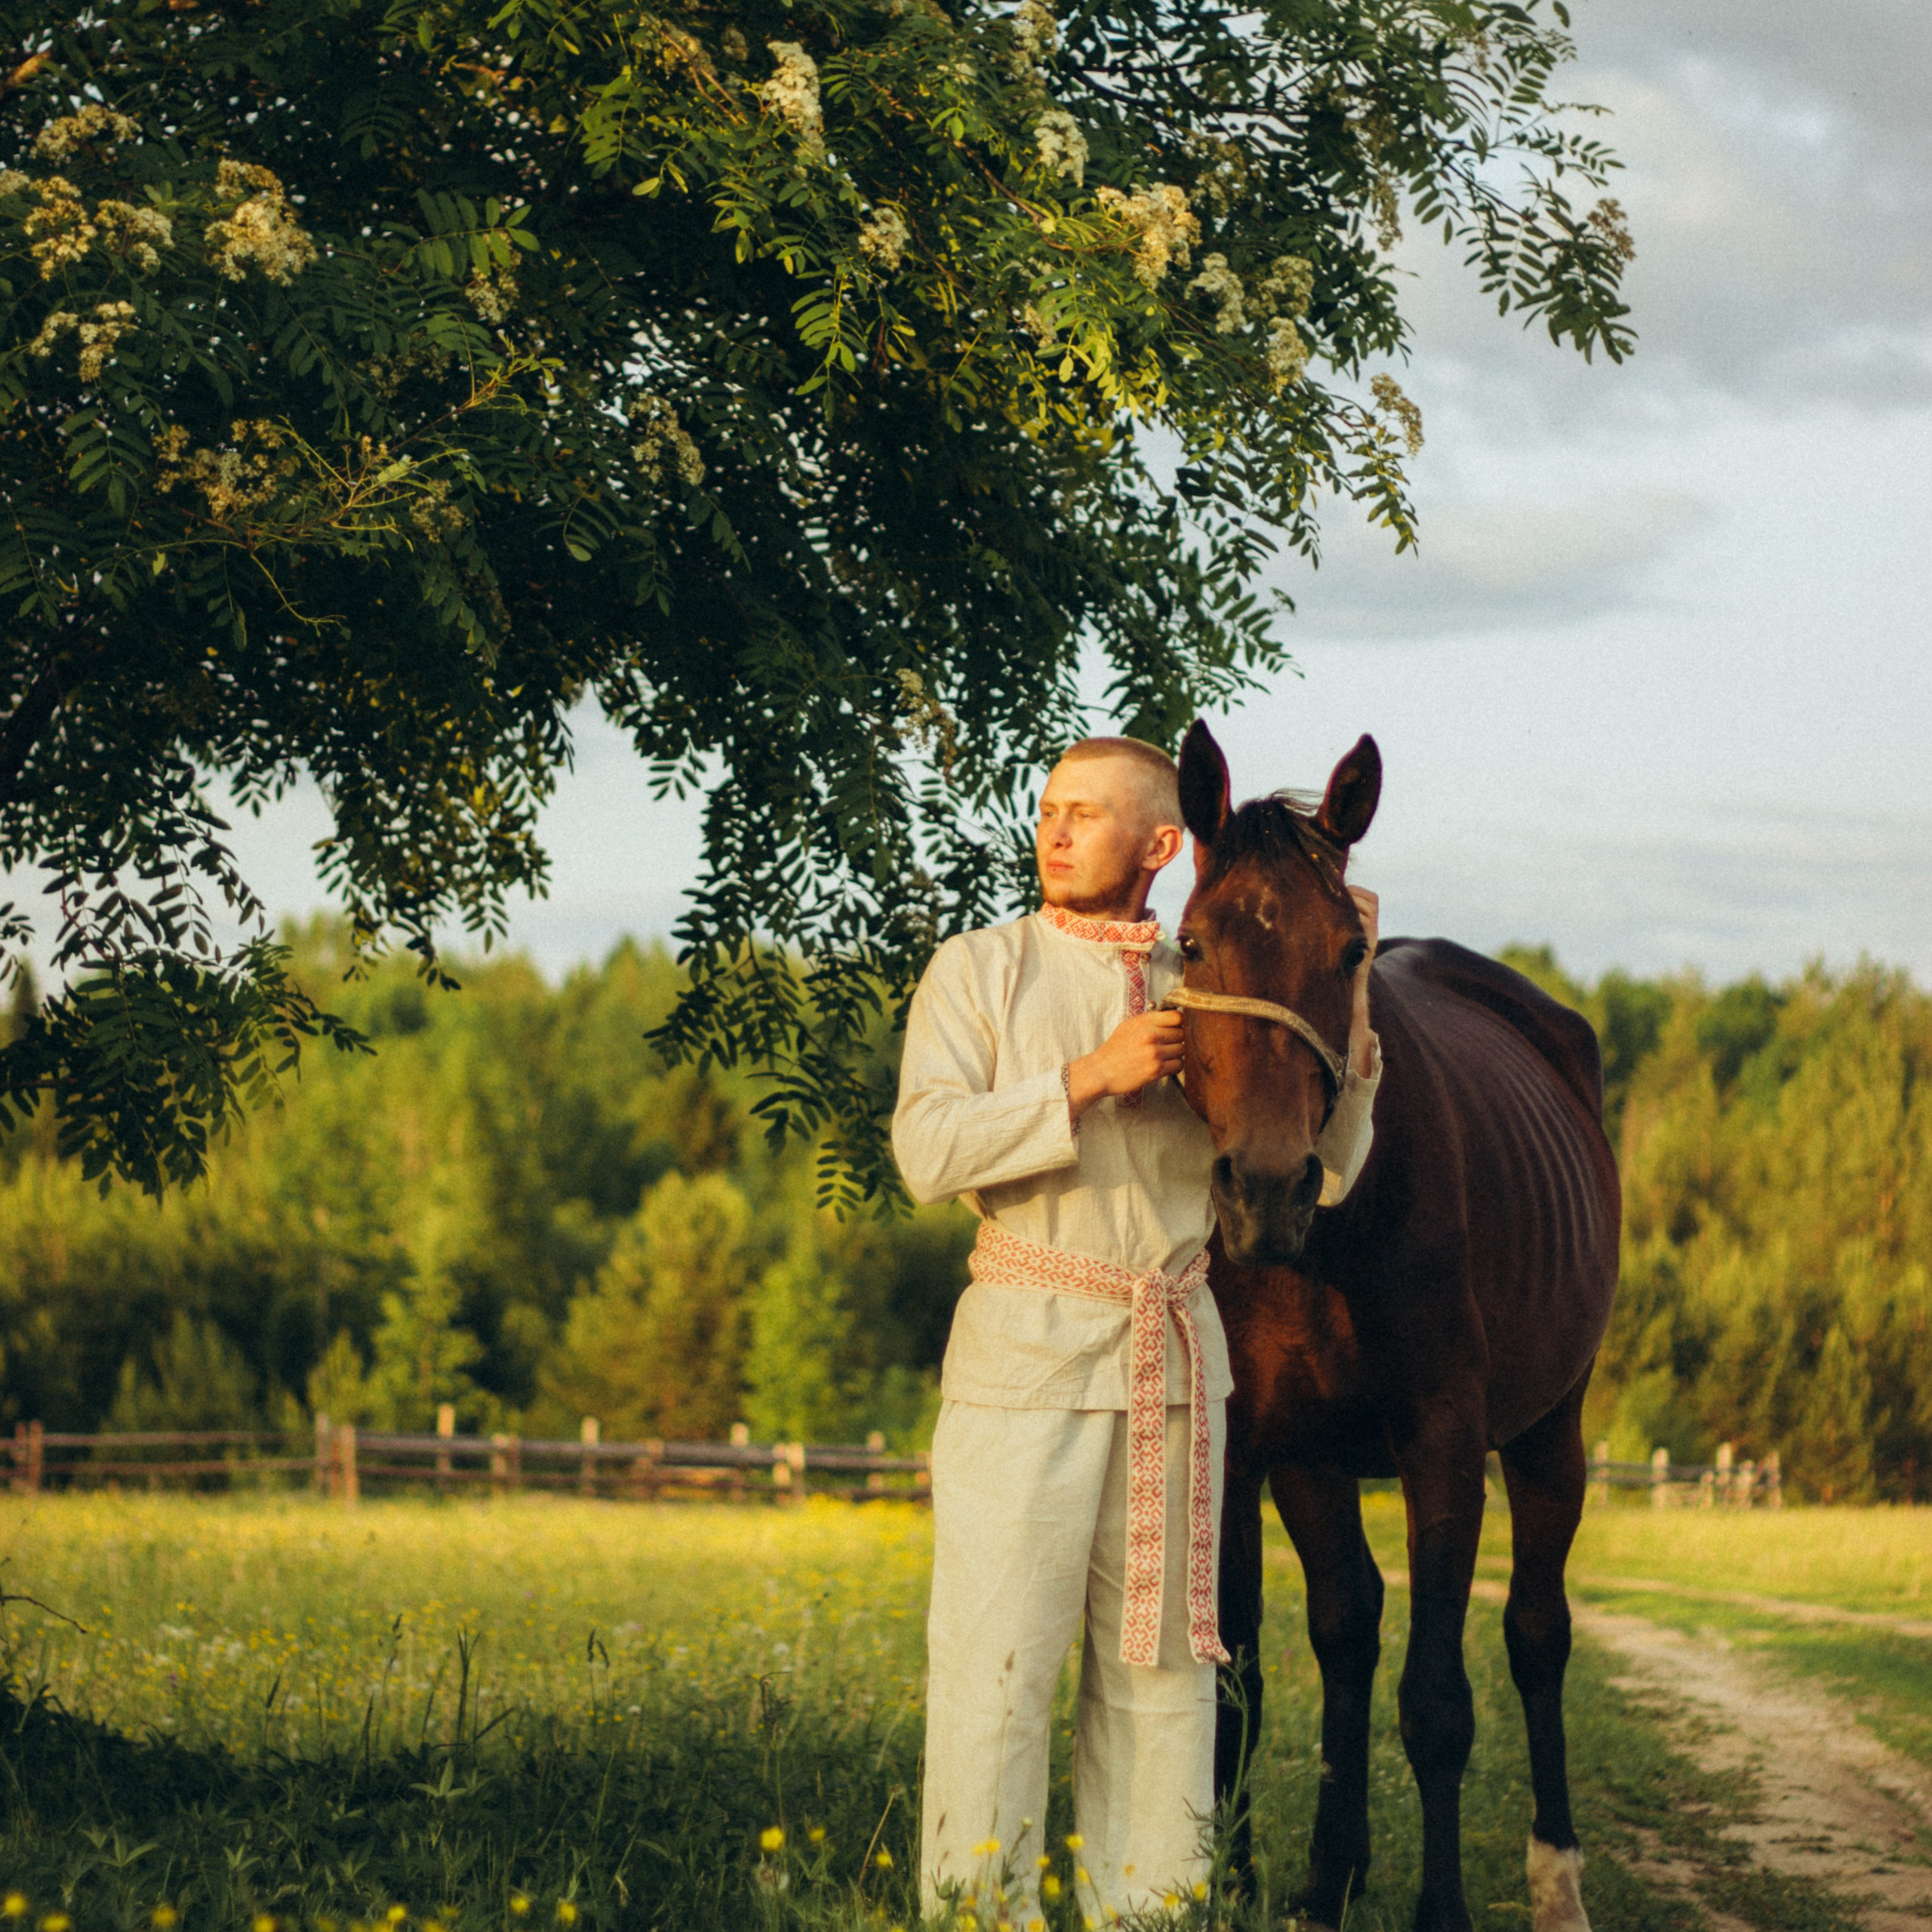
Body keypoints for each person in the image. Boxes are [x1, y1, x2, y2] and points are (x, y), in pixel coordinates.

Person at [894, 736, 1382, 1928]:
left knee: (1166, 1683)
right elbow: (927, 1152)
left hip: (1173, 1373)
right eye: (1050, 810)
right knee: (995, 1670)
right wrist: (1090, 1075)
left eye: (1089, 815)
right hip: (1026, 1366)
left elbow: (1332, 1170)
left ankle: (1153, 1916)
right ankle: (978, 1915)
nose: (1055, 832)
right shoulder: (981, 969)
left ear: (1163, 845)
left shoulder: (1213, 981)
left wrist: (1354, 1045)